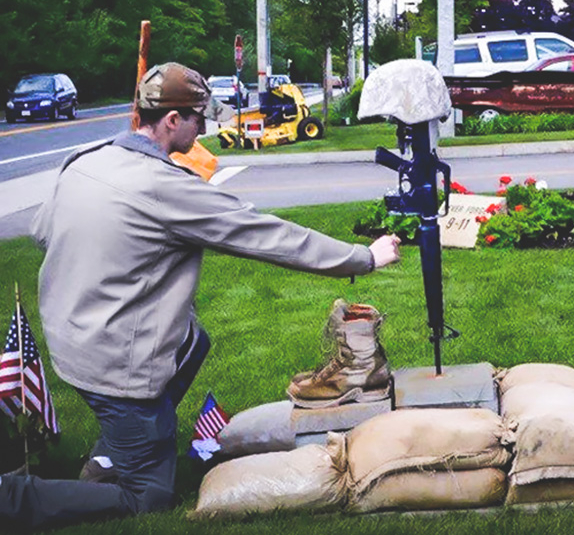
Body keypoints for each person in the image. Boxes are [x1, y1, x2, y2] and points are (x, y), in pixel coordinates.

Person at [0, 63, 401, 529]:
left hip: (69, 339)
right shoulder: (166, 188)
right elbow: (267, 235)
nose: (206, 127)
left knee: (194, 339)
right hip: (114, 365)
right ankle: (13, 496)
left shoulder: (87, 161)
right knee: (146, 497)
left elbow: (40, 231)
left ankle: (120, 447)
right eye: (198, 117)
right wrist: (363, 257)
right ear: (172, 121)